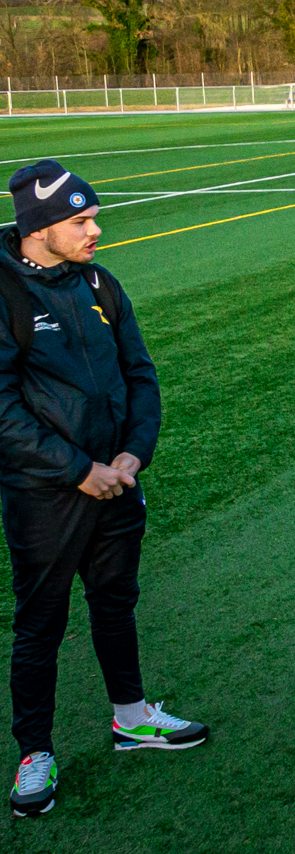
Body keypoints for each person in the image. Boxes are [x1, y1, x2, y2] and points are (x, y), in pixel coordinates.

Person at [2, 161, 205, 819]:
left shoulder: (99, 282)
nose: (96, 229)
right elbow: (4, 411)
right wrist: (78, 469)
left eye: (93, 216)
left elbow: (140, 374)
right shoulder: (6, 293)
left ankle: (130, 716)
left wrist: (131, 453)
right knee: (40, 623)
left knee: (116, 603)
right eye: (80, 220)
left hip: (117, 483)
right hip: (47, 496)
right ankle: (35, 751)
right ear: (38, 230)